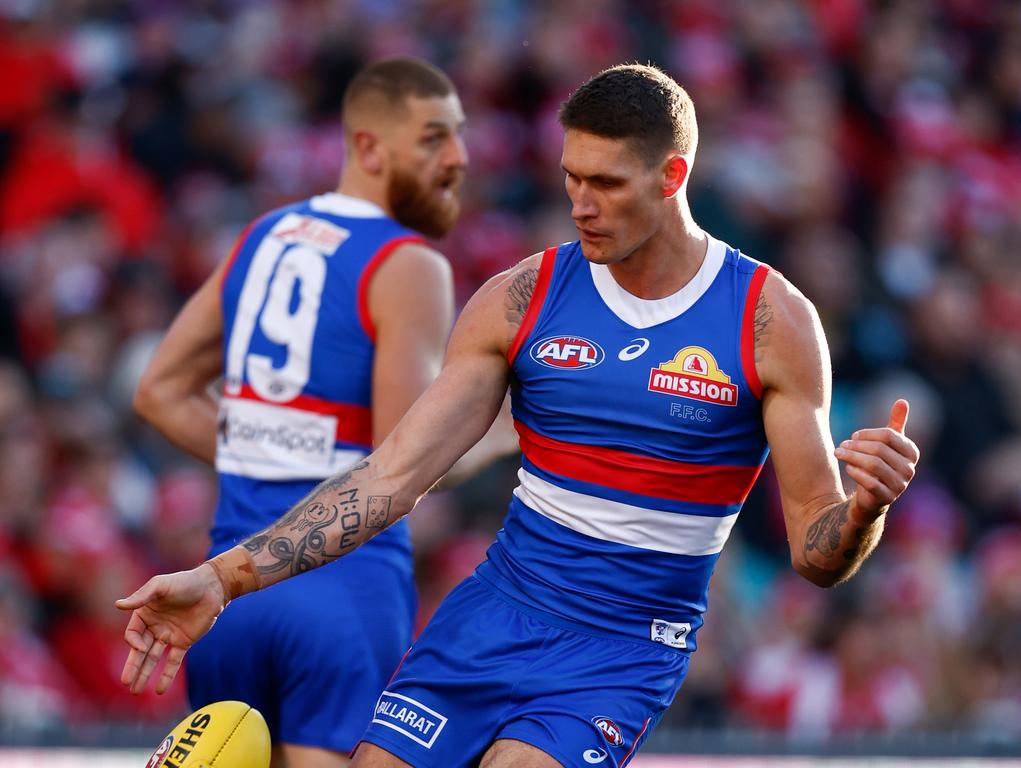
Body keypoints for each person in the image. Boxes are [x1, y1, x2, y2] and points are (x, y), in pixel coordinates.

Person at [118, 64, 920, 768]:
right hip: (493, 612)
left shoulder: (769, 320)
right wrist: (220, 579)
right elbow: (390, 478)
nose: (580, 203)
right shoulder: (519, 299)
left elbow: (817, 550)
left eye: (606, 183)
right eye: (571, 177)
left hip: (623, 646)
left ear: (673, 177)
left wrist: (864, 513)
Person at [129, 56, 494, 767]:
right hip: (343, 594)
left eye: (458, 137)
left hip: (225, 596)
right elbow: (407, 458)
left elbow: (160, 392)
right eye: (434, 138)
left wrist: (268, 453)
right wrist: (500, 432)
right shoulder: (408, 263)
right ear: (367, 147)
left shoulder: (264, 235)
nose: (459, 157)